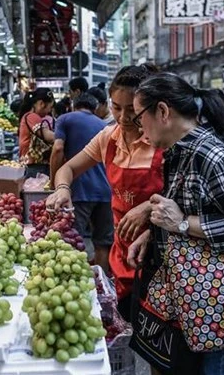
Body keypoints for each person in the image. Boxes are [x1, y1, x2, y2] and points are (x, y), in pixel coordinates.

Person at [128, 73, 224, 375]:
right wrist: (155, 233)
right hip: (199, 302)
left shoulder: (209, 154)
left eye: (139, 116)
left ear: (163, 112)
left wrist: (183, 224)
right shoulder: (180, 152)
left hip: (223, 302)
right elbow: (188, 205)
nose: (137, 126)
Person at [46, 64, 162, 320]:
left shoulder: (163, 141)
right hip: (122, 251)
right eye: (116, 107)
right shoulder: (109, 137)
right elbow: (67, 167)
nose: (122, 117)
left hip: (160, 254)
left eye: (132, 110)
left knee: (157, 338)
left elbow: (185, 198)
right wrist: (62, 188)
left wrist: (149, 208)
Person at [49, 92, 113, 272]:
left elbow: (58, 148)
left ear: (73, 105)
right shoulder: (105, 125)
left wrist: (55, 182)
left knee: (71, 239)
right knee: (103, 243)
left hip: (78, 189)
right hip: (105, 190)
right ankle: (102, 284)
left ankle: (73, 279)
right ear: (95, 108)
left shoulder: (64, 118)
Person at [18, 88, 55, 178]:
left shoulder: (30, 116)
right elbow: (48, 136)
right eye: (50, 107)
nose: (49, 111)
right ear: (42, 104)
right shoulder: (32, 116)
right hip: (34, 166)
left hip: (33, 166)